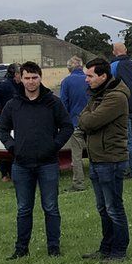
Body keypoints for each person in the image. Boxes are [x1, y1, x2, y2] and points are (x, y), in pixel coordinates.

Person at [0, 61, 74, 259]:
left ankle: (53, 248)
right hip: (21, 165)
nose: (31, 82)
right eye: (27, 78)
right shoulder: (13, 104)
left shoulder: (53, 102)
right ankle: (21, 249)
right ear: (20, 79)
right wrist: (12, 146)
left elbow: (67, 126)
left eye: (34, 77)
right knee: (23, 209)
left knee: (50, 207)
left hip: (47, 163)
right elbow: (3, 129)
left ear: (40, 78)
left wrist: (54, 145)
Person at [78, 58, 131, 263]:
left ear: (103, 76)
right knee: (103, 208)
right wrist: (87, 118)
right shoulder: (98, 95)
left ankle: (119, 251)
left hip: (111, 160)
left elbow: (89, 121)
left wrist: (87, 119)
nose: (86, 80)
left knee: (114, 208)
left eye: (90, 76)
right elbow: (82, 118)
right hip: (97, 159)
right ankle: (106, 247)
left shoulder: (116, 97)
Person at [111, 42, 132, 179]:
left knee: (127, 141)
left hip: (123, 109)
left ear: (114, 52)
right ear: (126, 50)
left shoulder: (113, 66)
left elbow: (108, 85)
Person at [59, 56, 90, 192]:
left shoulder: (66, 82)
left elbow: (63, 103)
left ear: (69, 68)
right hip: (92, 122)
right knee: (94, 153)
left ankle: (78, 183)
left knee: (76, 156)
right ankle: (99, 178)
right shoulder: (89, 79)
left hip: (75, 122)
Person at [0, 63, 21, 182]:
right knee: (5, 145)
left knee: (14, 144)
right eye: (20, 74)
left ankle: (13, 171)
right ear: (15, 74)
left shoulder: (19, 85)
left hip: (15, 119)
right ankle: (4, 173)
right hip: (3, 118)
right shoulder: (6, 85)